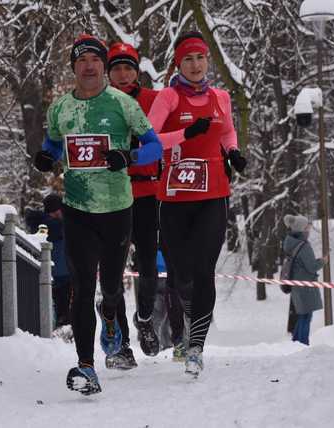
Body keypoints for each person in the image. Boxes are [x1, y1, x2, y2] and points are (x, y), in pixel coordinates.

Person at [33, 34, 162, 395]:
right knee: (81, 286)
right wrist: (46, 156)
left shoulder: (122, 104)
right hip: (77, 210)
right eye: (82, 60)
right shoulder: (60, 108)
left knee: (109, 290)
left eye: (94, 60)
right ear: (74, 67)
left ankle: (111, 316)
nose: (88, 65)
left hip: (118, 209)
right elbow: (53, 143)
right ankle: (87, 367)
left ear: (103, 67)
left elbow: (155, 146)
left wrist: (129, 157)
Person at [147, 31, 247, 378]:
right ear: (179, 63)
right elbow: (147, 140)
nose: (195, 65)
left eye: (200, 58)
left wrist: (233, 153)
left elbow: (226, 132)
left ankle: (196, 347)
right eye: (188, 59)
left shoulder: (221, 97)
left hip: (213, 196)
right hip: (174, 198)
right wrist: (184, 135)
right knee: (182, 275)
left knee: (204, 271)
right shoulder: (168, 98)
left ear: (207, 61)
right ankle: (189, 314)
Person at [99, 42, 160, 368]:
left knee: (149, 266)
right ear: (109, 72)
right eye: (117, 68)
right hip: (111, 196)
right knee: (112, 270)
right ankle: (120, 344)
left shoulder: (152, 100)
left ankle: (145, 318)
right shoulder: (99, 102)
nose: (123, 74)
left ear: (137, 72)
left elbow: (163, 142)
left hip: (148, 194)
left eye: (128, 68)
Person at [282, 214, 328, 346]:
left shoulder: (290, 243)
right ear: (302, 229)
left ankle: (296, 342)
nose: (309, 228)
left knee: (302, 315)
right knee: (306, 316)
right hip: (306, 287)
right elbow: (312, 266)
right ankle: (303, 343)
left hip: (297, 285)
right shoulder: (303, 246)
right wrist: (323, 261)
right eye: (307, 226)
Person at [42, 194, 72, 333]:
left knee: (63, 306)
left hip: (65, 272)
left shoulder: (63, 223)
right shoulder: (54, 225)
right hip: (59, 274)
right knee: (60, 306)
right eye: (53, 212)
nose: (56, 214)